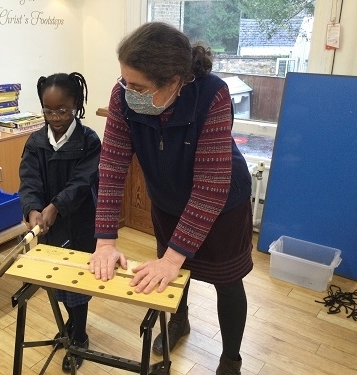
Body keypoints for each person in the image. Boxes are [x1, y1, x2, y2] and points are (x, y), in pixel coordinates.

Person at [89, 22, 253, 375]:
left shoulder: (213, 94)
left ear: (175, 81)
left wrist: (171, 258)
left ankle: (231, 360)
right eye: (124, 81)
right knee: (173, 276)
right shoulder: (123, 98)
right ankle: (179, 322)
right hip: (167, 202)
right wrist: (105, 242)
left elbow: (210, 186)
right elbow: (113, 166)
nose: (127, 91)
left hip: (223, 205)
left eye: (139, 86)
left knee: (227, 281)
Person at [18, 72, 101, 372]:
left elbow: (82, 182)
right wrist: (31, 210)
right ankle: (69, 322)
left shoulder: (89, 140)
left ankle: (79, 335)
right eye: (48, 110)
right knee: (58, 281)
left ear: (76, 105)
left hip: (79, 224)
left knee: (77, 285)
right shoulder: (36, 141)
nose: (55, 117)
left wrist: (55, 206)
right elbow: (29, 181)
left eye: (62, 110)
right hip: (48, 227)